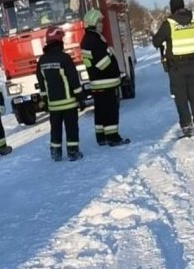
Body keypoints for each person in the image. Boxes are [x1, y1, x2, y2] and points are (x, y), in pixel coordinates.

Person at [152, 0, 194, 137]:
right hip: (193, 64)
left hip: (176, 68)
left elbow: (156, 42)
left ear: (172, 8)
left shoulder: (169, 24)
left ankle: (187, 127)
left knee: (181, 98)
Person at [36, 26, 86, 161]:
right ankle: (73, 152)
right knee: (71, 128)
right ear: (59, 41)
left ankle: (55, 152)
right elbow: (73, 79)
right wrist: (80, 97)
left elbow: (41, 83)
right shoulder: (65, 58)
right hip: (69, 103)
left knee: (55, 129)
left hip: (53, 105)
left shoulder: (42, 61)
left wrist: (45, 100)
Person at [80, 9, 129, 146]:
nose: (102, 24)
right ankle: (113, 137)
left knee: (101, 110)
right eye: (99, 22)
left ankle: (101, 137)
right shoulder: (95, 40)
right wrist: (110, 54)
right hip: (105, 82)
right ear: (93, 23)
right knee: (110, 110)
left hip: (97, 83)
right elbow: (102, 64)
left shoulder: (87, 39)